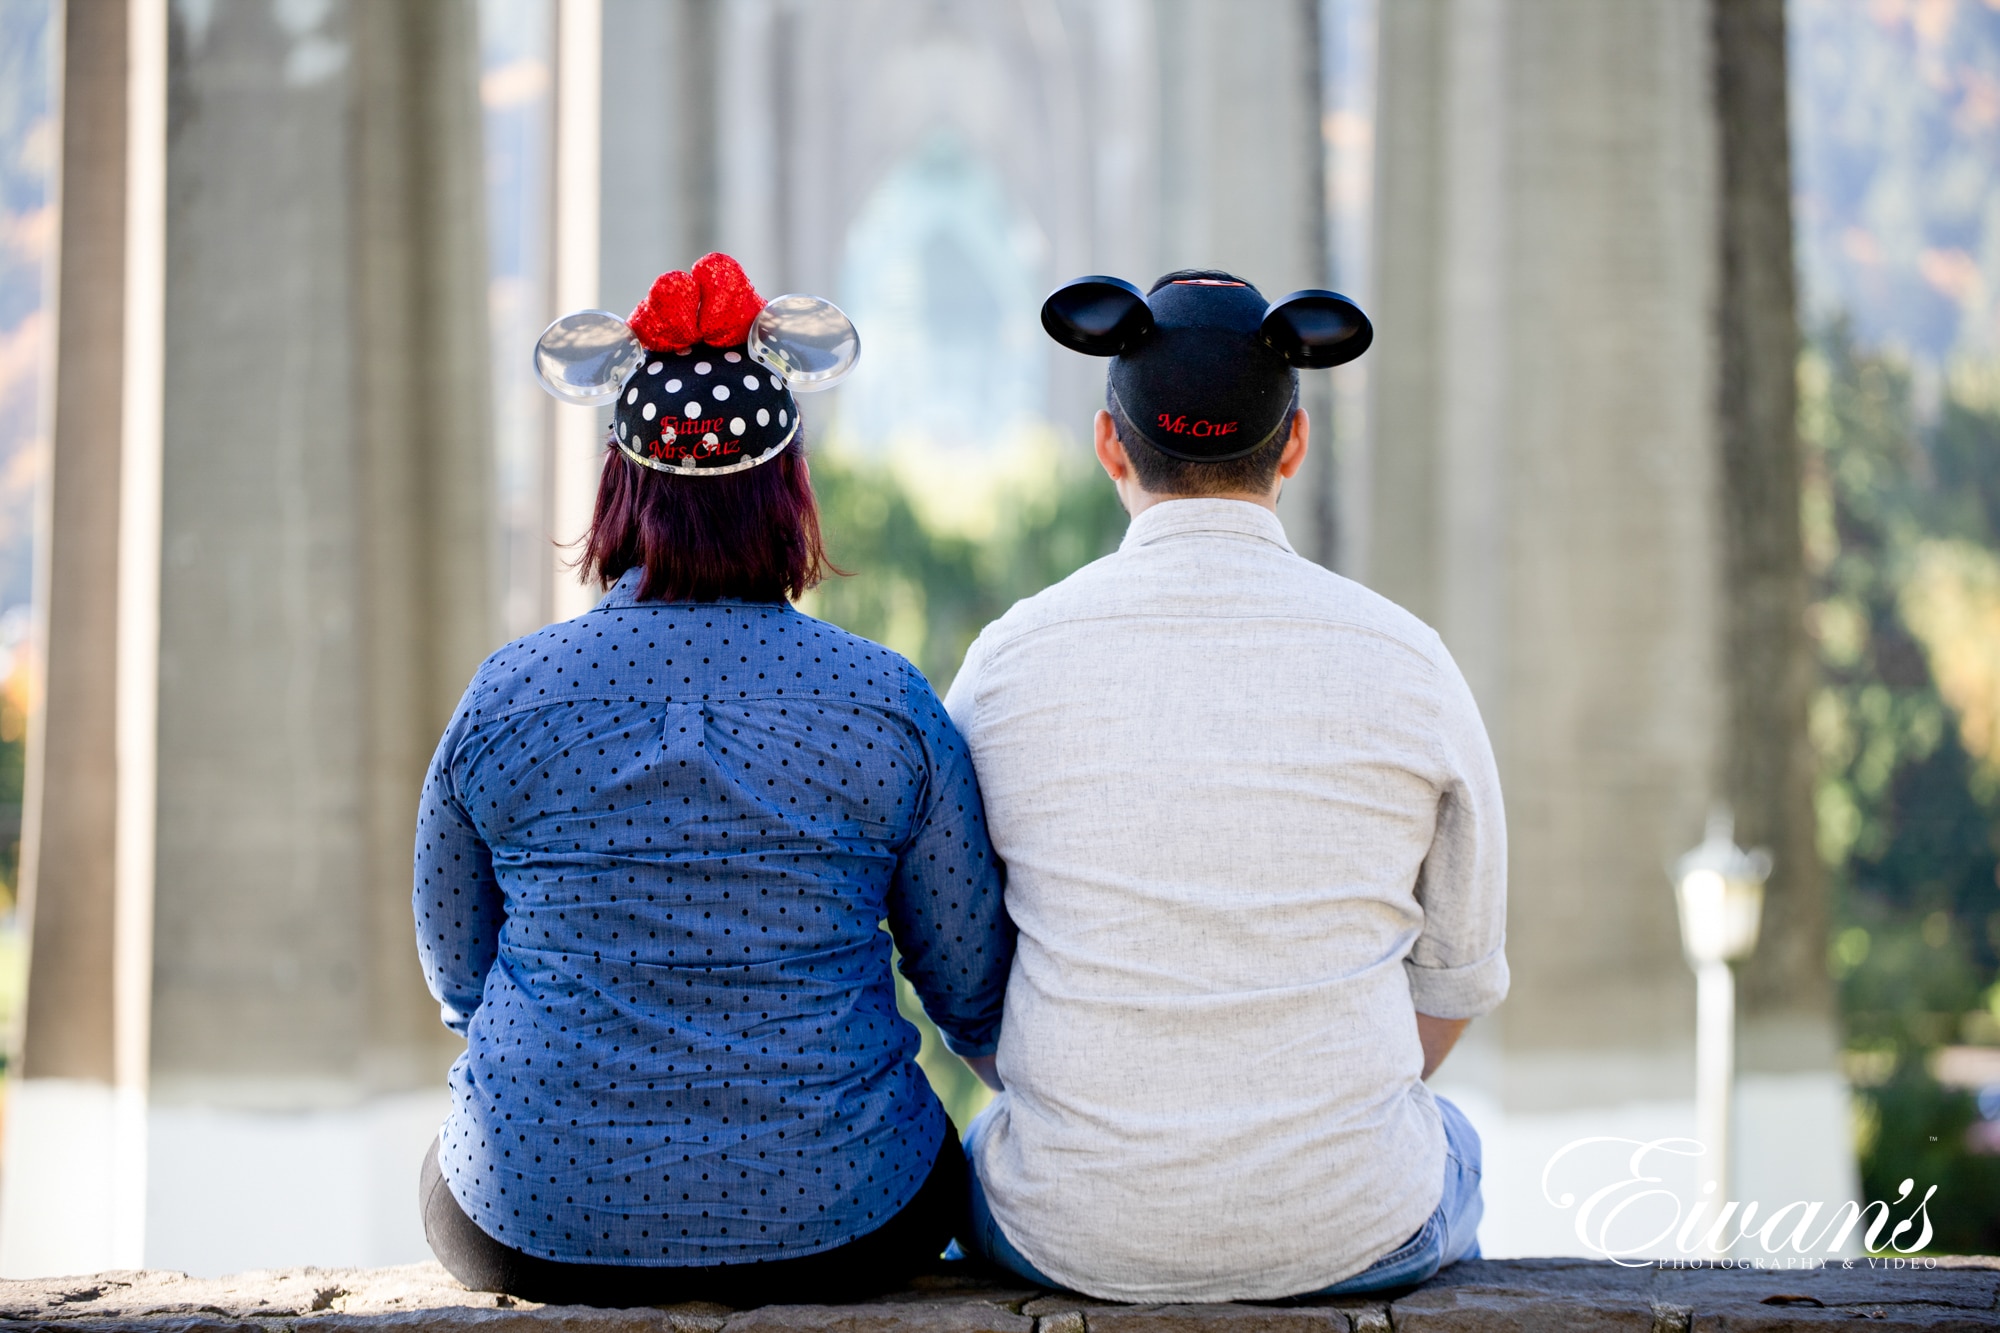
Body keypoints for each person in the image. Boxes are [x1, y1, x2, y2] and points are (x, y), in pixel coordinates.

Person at [413, 253, 1013, 1307]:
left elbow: (458, 973)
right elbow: (966, 982)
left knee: (443, 1166)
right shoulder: (886, 701)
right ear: (788, 494)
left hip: (533, 1215)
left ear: (618, 486)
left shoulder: (504, 696)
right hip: (844, 1212)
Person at [946, 270, 1506, 1301]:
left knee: (984, 1145)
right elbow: (1455, 979)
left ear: (1110, 445)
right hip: (1353, 1225)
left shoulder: (1006, 660)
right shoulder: (1409, 661)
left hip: (1069, 1229)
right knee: (1453, 1141)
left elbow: (957, 959)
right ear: (1292, 445)